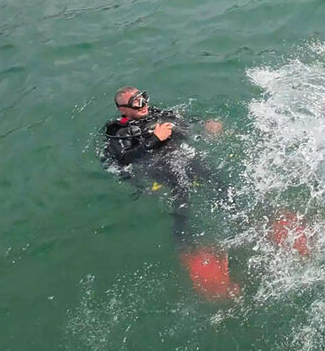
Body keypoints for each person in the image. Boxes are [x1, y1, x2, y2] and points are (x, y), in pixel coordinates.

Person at [101, 87, 236, 299]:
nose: (144, 105)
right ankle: (188, 249)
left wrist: (204, 124)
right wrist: (154, 139)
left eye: (144, 98)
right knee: (182, 196)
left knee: (220, 183)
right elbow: (124, 159)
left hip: (183, 156)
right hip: (160, 166)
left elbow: (182, 119)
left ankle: (252, 219)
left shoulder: (155, 113)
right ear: (124, 110)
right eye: (137, 103)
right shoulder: (119, 132)